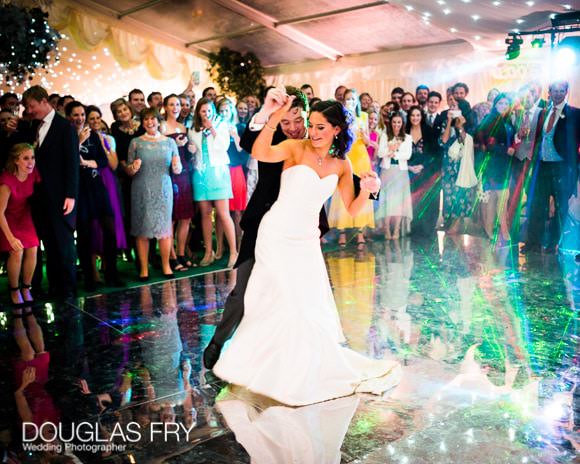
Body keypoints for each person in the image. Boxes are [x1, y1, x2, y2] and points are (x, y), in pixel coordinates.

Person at [212, 96, 400, 406]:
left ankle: (300, 367)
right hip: (275, 235)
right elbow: (259, 151)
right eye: (310, 126)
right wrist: (274, 115)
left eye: (320, 127)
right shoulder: (295, 148)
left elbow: (352, 209)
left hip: (306, 242)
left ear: (337, 130)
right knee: (282, 300)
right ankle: (269, 367)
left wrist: (368, 190)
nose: (312, 132)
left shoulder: (343, 164)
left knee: (307, 306)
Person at [22, 86, 79, 301]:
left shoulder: (65, 127)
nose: (30, 110)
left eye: (32, 106)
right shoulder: (32, 126)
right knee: (49, 244)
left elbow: (72, 163)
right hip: (38, 197)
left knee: (63, 244)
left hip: (60, 197)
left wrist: (71, 195)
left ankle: (68, 289)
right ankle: (55, 286)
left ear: (44, 101)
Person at [521, 80, 579, 254]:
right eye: (555, 90)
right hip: (543, 166)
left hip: (562, 167)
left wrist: (574, 163)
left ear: (567, 91)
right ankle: (533, 244)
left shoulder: (575, 114)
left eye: (562, 90)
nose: (558, 94)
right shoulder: (543, 113)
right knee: (537, 205)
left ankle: (554, 244)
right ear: (550, 92)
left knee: (561, 208)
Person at [127, 108, 182, 280]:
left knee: (164, 229)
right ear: (142, 122)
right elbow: (129, 170)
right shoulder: (136, 142)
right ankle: (144, 269)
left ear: (159, 121)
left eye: (153, 119)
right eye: (146, 119)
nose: (149, 122)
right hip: (141, 189)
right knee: (142, 229)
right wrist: (133, 168)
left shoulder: (169, 143)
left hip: (163, 189)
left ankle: (166, 266)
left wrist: (175, 166)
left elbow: (178, 169)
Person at [189, 98, 237, 267]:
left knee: (223, 214)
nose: (206, 114)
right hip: (200, 174)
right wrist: (190, 150)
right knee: (205, 214)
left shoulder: (221, 125)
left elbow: (223, 146)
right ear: (198, 113)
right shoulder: (192, 130)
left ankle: (233, 252)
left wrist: (213, 129)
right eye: (203, 111)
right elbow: (193, 151)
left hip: (218, 172)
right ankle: (208, 252)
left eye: (209, 111)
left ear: (213, 111)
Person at [0, 144, 40, 306]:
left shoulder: (33, 174)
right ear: (16, 161)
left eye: (32, 157)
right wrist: (10, 238)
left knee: (33, 248)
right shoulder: (6, 181)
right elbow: (0, 212)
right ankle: (14, 289)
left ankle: (26, 287)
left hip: (25, 216)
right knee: (17, 251)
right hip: (7, 219)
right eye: (25, 158)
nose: (30, 162)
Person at [376, 113, 412, 239]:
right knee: (386, 200)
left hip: (401, 171)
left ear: (402, 124)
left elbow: (407, 155)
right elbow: (380, 153)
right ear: (390, 123)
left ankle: (396, 229)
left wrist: (395, 154)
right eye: (394, 122)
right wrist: (389, 151)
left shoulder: (407, 138)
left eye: (399, 122)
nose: (396, 125)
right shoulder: (385, 136)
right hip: (387, 170)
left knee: (399, 201)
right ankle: (386, 229)